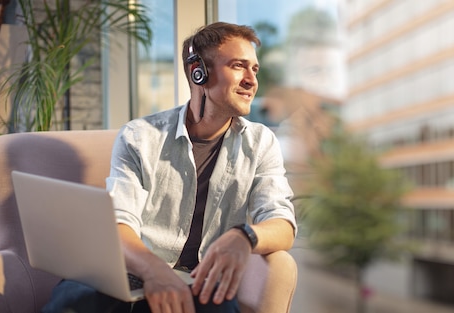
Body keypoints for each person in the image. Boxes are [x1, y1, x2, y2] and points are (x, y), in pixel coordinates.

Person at [42, 21, 297, 313]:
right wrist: (155, 272)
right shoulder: (139, 137)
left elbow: (282, 223)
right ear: (198, 73)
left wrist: (245, 236)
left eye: (255, 69)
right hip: (134, 270)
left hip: (198, 284)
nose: (252, 80)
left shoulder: (262, 142)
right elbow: (118, 223)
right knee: (72, 301)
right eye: (239, 66)